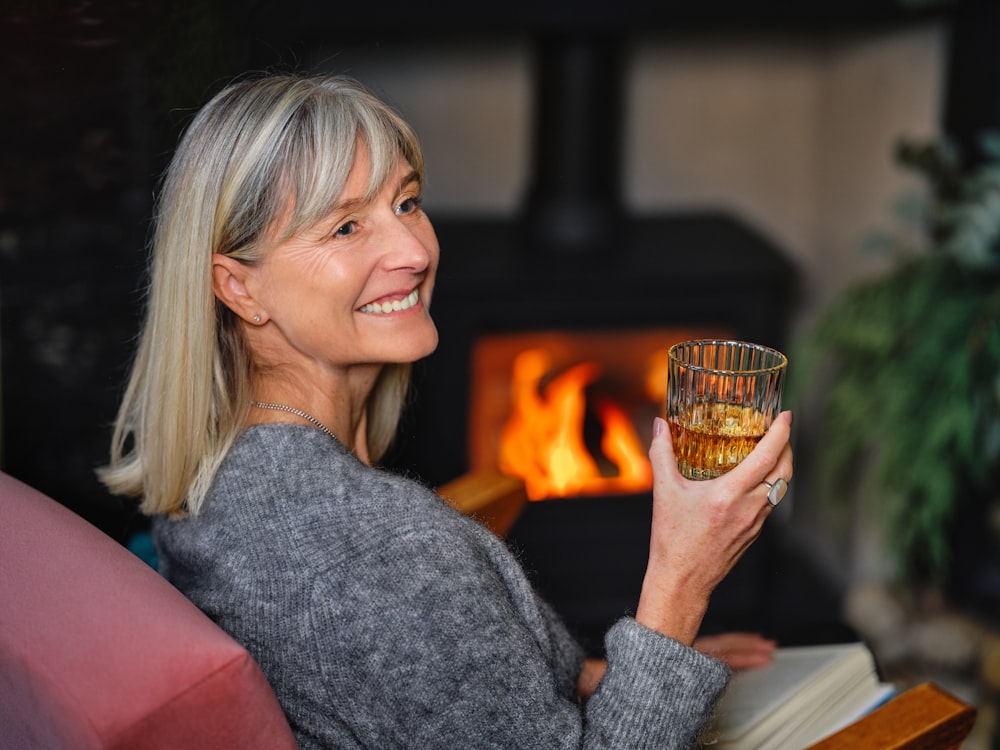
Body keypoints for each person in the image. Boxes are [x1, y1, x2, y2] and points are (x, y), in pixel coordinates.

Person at [100, 73, 793, 749]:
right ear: (238, 288)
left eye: (405, 202)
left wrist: (606, 674)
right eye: (345, 227)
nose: (413, 250)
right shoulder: (379, 550)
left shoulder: (224, 467)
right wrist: (680, 582)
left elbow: (401, 684)